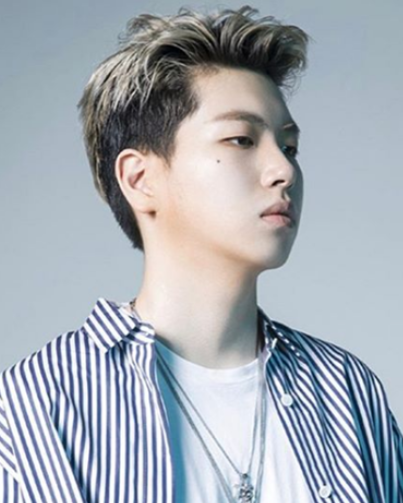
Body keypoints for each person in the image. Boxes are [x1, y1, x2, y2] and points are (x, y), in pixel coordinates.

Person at [0, 4, 401, 503]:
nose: (284, 171)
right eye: (241, 139)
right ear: (140, 180)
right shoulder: (40, 401)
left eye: (290, 147)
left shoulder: (346, 390)